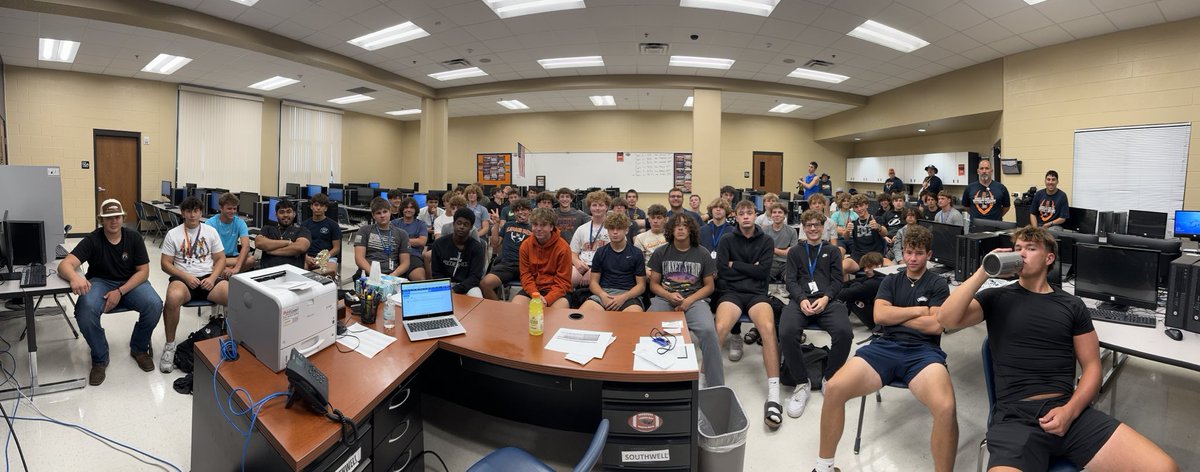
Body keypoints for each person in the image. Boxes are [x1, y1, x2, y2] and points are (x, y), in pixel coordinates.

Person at [938, 226, 1178, 472]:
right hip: (1016, 418)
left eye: (1030, 249)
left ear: (1049, 258)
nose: (1021, 255)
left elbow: (1093, 367)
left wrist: (1070, 411)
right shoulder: (996, 297)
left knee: (1164, 467)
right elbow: (946, 320)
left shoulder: (1072, 305)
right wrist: (983, 272)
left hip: (1068, 411)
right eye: (1018, 248)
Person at [815, 225, 956, 472]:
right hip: (884, 347)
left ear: (929, 254)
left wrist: (897, 315)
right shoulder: (891, 280)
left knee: (946, 408)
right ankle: (824, 466)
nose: (913, 258)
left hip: (923, 353)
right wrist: (921, 311)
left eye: (919, 253)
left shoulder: (938, 284)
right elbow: (880, 315)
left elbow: (935, 327)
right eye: (909, 252)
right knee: (835, 388)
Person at [59, 199, 163, 385]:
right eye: (108, 218)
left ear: (123, 218)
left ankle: (139, 348)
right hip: (100, 281)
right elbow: (65, 264)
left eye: (117, 217)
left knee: (154, 304)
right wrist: (75, 277)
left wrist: (120, 292)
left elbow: (143, 272)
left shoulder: (134, 238)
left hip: (130, 282)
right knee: (84, 311)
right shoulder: (92, 239)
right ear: (101, 220)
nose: (113, 221)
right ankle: (100, 358)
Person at [714, 200, 782, 428]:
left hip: (756, 294)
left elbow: (764, 273)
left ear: (756, 215)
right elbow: (722, 271)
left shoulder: (766, 240)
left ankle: (774, 394)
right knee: (720, 327)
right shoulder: (726, 240)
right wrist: (748, 267)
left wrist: (737, 265)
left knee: (768, 329)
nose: (745, 216)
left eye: (749, 213)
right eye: (741, 213)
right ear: (736, 216)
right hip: (731, 293)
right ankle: (704, 383)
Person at [779, 209, 852, 419]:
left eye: (817, 225)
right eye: (808, 225)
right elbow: (790, 281)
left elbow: (838, 280)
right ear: (803, 227)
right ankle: (802, 382)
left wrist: (826, 298)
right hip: (800, 300)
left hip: (827, 301)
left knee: (844, 333)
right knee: (786, 332)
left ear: (823, 227)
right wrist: (801, 299)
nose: (813, 228)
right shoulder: (795, 252)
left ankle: (830, 377)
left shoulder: (832, 251)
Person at [647, 213, 722, 387]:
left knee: (709, 332)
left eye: (685, 225)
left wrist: (689, 301)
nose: (680, 228)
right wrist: (668, 295)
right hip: (666, 297)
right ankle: (650, 378)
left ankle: (715, 385)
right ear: (671, 230)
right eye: (676, 225)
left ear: (691, 230)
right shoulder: (661, 252)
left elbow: (709, 286)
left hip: (695, 300)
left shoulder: (702, 253)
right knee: (647, 328)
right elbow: (654, 285)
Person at [160, 196, 227, 373]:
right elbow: (165, 263)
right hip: (183, 279)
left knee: (235, 295)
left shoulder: (210, 231)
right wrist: (185, 276)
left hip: (207, 278)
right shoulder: (173, 234)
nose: (192, 215)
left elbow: (221, 259)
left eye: (196, 211)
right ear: (183, 213)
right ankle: (170, 346)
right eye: (188, 211)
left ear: (201, 212)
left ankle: (230, 340)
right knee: (172, 298)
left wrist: (213, 278)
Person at [580, 212, 645, 312]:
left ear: (626, 230)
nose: (615, 232)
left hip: (628, 295)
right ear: (608, 230)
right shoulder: (600, 252)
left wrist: (623, 297)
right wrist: (603, 295)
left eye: (619, 228)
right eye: (611, 228)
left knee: (634, 317)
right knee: (584, 315)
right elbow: (593, 282)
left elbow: (641, 286)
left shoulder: (637, 253)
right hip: (604, 293)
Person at [514, 207, 573, 308]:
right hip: (533, 289)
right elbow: (525, 275)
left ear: (551, 227)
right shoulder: (526, 245)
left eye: (543, 225)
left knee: (555, 315)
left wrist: (547, 300)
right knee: (515, 309)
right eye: (535, 225)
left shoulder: (563, 247)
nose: (538, 229)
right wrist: (535, 295)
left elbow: (563, 281)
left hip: (556, 291)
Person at [481, 198, 532, 300]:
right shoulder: (508, 225)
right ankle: (500, 309)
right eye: (517, 210)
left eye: (523, 209)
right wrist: (496, 223)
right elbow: (495, 244)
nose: (520, 212)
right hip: (507, 265)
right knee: (485, 284)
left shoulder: (534, 228)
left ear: (530, 211)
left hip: (526, 266)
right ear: (514, 213)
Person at [429, 208, 486, 297]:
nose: (461, 227)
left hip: (468, 285)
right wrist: (447, 288)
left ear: (471, 227)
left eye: (466, 224)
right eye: (459, 223)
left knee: (477, 296)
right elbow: (436, 272)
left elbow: (475, 276)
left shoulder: (477, 247)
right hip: (444, 284)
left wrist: (457, 289)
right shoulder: (439, 244)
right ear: (453, 224)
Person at [354, 197, 410, 278]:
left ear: (390, 212)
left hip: (392, 276)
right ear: (373, 215)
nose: (382, 215)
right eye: (378, 213)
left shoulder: (402, 234)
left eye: (385, 212)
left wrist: (391, 277)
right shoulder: (364, 231)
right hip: (369, 274)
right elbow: (359, 258)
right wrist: (375, 275)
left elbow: (405, 263)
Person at [569, 191, 612, 286]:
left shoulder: (614, 228)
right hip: (583, 266)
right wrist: (577, 262)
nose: (597, 208)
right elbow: (572, 252)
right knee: (570, 277)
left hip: (604, 267)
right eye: (594, 205)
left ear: (606, 207)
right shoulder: (582, 229)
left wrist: (594, 271)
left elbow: (617, 255)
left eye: (601, 205)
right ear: (589, 207)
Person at [205, 192, 254, 276]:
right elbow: (207, 250)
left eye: (234, 209)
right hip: (216, 258)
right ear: (221, 208)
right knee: (207, 263)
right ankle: (225, 272)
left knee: (251, 259)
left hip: (232, 258)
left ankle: (227, 273)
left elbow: (246, 246)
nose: (232, 211)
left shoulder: (240, 223)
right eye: (229, 209)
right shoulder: (210, 223)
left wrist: (236, 268)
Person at [843, 194, 891, 277]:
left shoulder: (877, 219)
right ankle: (842, 288)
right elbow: (845, 237)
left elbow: (885, 233)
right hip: (858, 257)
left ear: (867, 205)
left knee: (892, 267)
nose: (859, 209)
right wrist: (847, 231)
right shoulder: (853, 223)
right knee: (841, 267)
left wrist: (878, 227)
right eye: (856, 207)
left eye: (861, 206)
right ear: (853, 209)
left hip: (875, 256)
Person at [255, 199, 311, 269]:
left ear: (294, 214)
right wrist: (288, 242)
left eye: (289, 212)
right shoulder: (268, 229)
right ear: (276, 215)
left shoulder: (302, 230)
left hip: (293, 273)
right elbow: (259, 243)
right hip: (268, 272)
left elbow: (300, 247)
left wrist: (271, 251)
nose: (285, 215)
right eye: (281, 212)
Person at [838, 252, 885, 330]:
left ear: (879, 266)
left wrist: (827, 295)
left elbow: (847, 293)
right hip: (877, 313)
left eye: (869, 267)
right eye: (865, 267)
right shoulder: (872, 277)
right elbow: (847, 283)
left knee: (852, 295)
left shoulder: (878, 281)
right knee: (854, 286)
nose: (866, 270)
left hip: (880, 323)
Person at [300, 193, 340, 277]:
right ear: (311, 206)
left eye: (321, 206)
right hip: (309, 258)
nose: (318, 208)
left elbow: (336, 248)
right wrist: (306, 258)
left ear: (325, 208)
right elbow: (300, 247)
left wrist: (323, 258)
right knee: (301, 273)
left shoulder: (333, 225)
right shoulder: (304, 225)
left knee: (327, 273)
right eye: (316, 205)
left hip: (327, 257)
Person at [391, 197, 428, 280]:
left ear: (415, 210)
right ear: (402, 209)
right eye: (406, 207)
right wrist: (412, 241)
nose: (409, 210)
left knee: (420, 280)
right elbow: (390, 240)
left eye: (411, 208)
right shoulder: (394, 223)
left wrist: (401, 240)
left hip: (413, 256)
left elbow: (422, 242)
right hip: (394, 255)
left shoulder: (421, 224)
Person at [761, 202, 798, 280]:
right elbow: (762, 251)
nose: (777, 215)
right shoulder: (764, 231)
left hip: (786, 264)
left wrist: (772, 249)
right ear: (771, 215)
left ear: (784, 215)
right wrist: (784, 250)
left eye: (780, 212)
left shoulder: (792, 231)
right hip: (770, 263)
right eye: (774, 212)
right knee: (762, 279)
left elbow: (792, 253)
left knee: (790, 279)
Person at [633, 204, 669, 268]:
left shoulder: (672, 236)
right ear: (649, 219)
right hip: (648, 271)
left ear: (665, 219)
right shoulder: (640, 238)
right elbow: (638, 262)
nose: (655, 221)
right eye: (652, 218)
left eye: (659, 218)